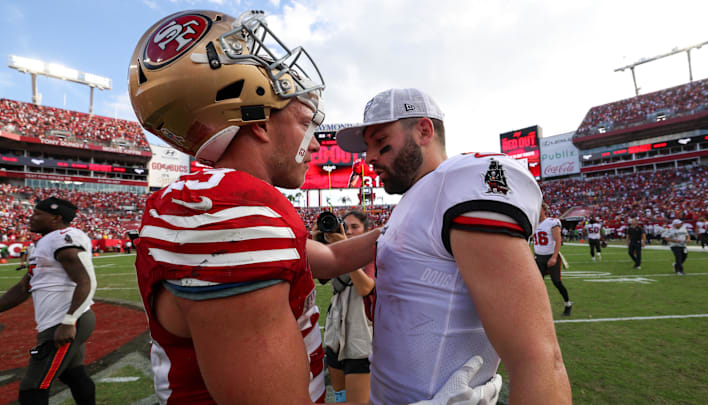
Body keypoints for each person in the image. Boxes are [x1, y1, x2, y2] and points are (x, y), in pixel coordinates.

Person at [129, 11, 489, 404]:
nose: (316, 144)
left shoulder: (212, 200)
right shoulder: (233, 211)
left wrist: (418, 216)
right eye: (305, 121)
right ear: (260, 124)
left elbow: (331, 256)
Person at [336, 88, 571, 404]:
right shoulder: (411, 204)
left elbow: (539, 359)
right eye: (368, 146)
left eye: (380, 141)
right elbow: (329, 258)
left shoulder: (458, 182)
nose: (370, 157)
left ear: (423, 131)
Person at [0, 197, 97, 405]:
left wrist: (69, 321)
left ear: (56, 218)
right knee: (73, 374)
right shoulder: (45, 242)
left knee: (32, 386)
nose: (31, 218)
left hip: (64, 320)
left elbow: (86, 281)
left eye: (37, 214)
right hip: (60, 319)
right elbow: (24, 287)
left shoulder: (63, 238)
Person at [322, 211, 375, 403]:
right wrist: (317, 241)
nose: (350, 231)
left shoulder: (371, 255)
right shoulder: (337, 254)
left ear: (366, 231)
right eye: (346, 226)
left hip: (359, 342)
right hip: (335, 338)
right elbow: (319, 275)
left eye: (355, 227)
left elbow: (365, 288)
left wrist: (346, 248)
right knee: (340, 399)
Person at [533, 202, 572, 316]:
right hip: (538, 257)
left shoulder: (551, 222)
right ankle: (538, 308)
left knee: (557, 282)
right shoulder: (533, 224)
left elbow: (558, 240)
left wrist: (554, 257)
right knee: (536, 283)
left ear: (544, 210)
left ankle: (567, 303)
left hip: (551, 256)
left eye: (539, 209)